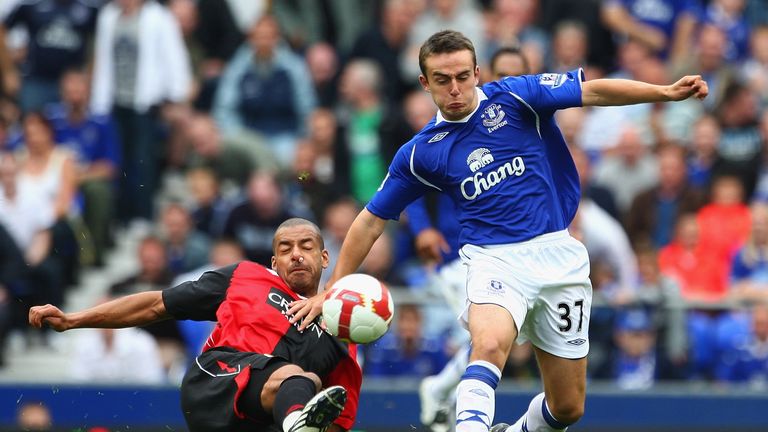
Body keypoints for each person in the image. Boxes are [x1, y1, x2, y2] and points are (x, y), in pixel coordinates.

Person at [289, 30, 708, 432]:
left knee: (567, 407)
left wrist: (664, 91)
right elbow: (370, 221)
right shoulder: (421, 152)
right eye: (441, 80)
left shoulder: (515, 96)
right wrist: (332, 287)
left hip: (558, 254)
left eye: (461, 77)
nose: (454, 88)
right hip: (493, 259)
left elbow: (593, 91)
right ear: (424, 83)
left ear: (477, 74)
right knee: (488, 345)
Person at [29, 218, 361, 432]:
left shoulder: (339, 333)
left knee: (312, 382)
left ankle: (295, 422)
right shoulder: (246, 277)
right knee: (294, 377)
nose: (296, 255)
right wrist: (74, 319)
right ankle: (295, 423)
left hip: (262, 417)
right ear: (273, 262)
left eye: (306, 246)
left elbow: (337, 418)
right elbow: (157, 303)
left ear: (325, 257)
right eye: (285, 249)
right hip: (218, 380)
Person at [414, 46, 531, 432]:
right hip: (460, 254)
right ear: (485, 74)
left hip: (513, 254)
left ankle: (446, 396)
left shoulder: (521, 121)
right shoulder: (443, 134)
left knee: (495, 336)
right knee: (490, 337)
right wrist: (422, 229)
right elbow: (407, 185)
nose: (507, 80)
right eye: (503, 72)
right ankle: (446, 396)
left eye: (516, 73)